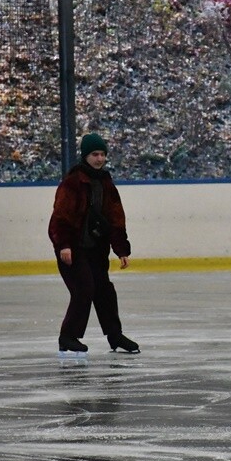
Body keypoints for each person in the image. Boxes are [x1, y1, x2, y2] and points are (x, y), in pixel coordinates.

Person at [48, 133, 140, 354]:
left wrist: (121, 249)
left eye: (102, 154)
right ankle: (67, 337)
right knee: (83, 289)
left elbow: (115, 218)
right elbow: (60, 218)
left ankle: (114, 335)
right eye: (94, 154)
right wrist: (64, 246)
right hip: (74, 249)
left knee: (105, 291)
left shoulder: (106, 183)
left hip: (96, 251)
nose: (99, 159)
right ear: (85, 156)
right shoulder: (73, 183)